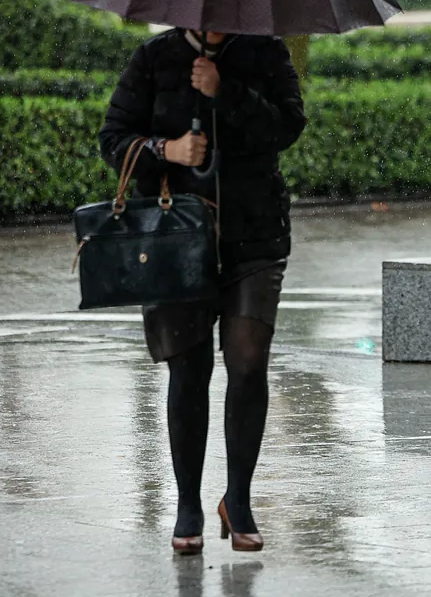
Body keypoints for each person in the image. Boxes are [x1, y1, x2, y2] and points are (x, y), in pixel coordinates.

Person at [99, 28, 305, 553]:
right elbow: (113, 137)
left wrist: (226, 91)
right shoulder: (155, 56)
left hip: (254, 237)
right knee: (188, 370)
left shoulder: (265, 50)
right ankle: (187, 502)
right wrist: (165, 149)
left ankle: (238, 499)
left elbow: (287, 127)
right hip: (175, 242)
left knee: (248, 361)